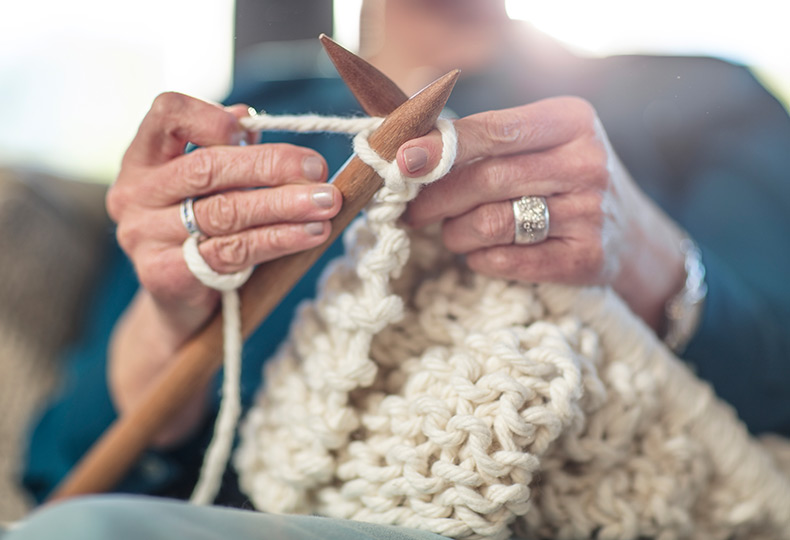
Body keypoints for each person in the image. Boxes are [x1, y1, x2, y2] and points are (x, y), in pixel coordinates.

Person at [11, 0, 790, 537]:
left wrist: (646, 255)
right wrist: (170, 318)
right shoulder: (253, 105)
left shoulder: (704, 95)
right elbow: (59, 466)